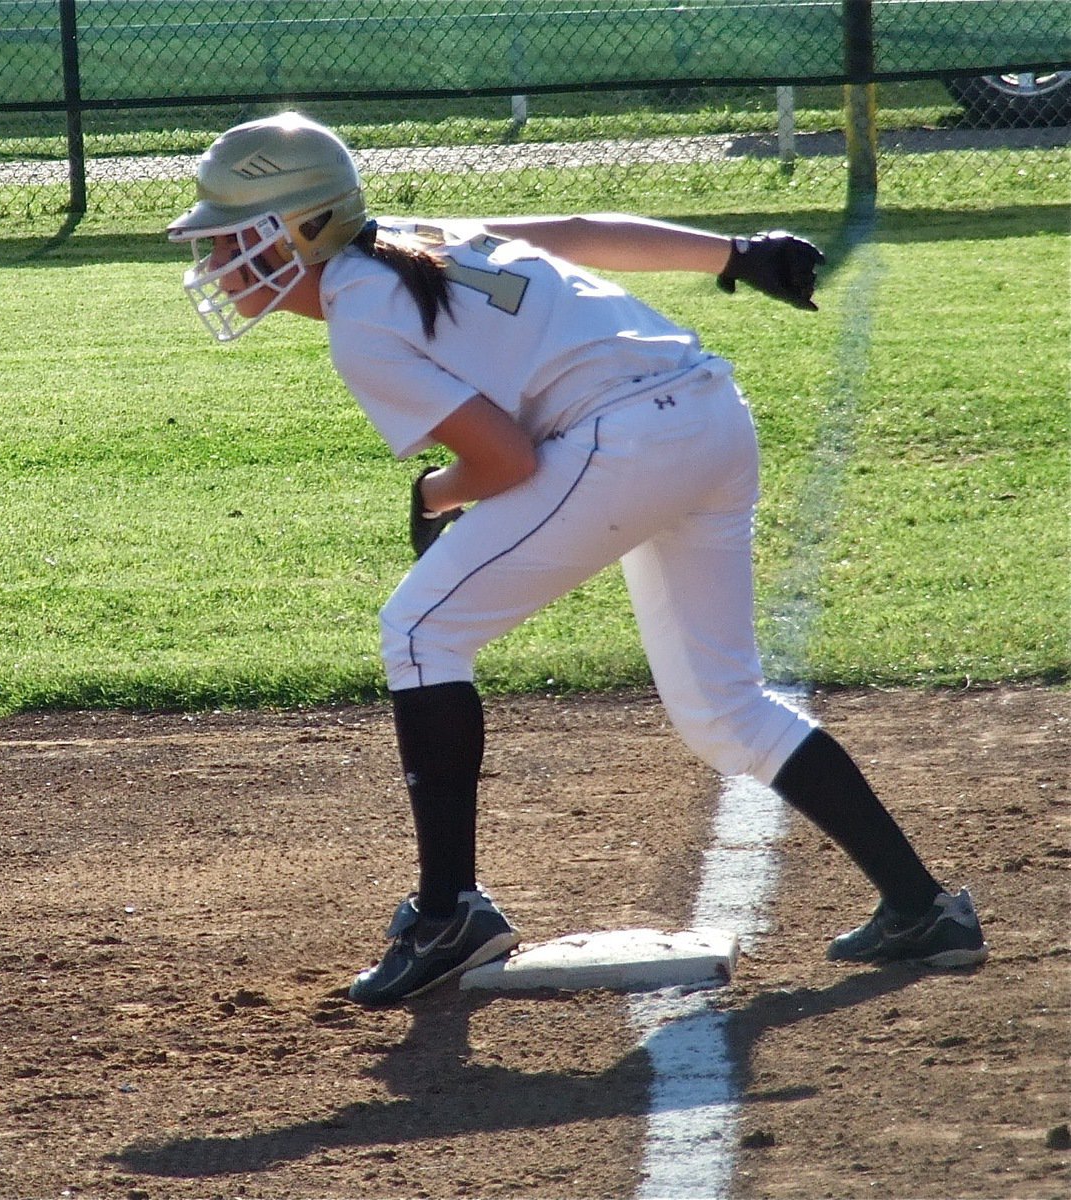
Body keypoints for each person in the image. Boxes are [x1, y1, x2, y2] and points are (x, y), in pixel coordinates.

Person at [168, 112, 988, 1006]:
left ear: (301, 229)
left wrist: (433, 494)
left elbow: (507, 461)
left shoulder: (360, 316)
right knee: (723, 707)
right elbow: (582, 232)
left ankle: (447, 916)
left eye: (233, 235)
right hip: (708, 411)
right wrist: (736, 253)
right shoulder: (413, 236)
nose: (215, 256)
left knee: (420, 632)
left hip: (627, 439)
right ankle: (921, 908)